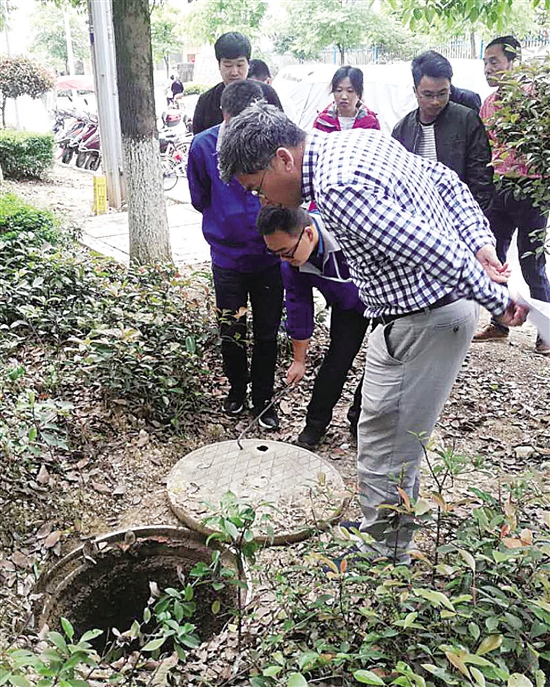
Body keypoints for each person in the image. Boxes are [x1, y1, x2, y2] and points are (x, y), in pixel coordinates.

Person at [218, 102, 527, 563]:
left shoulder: (337, 189)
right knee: (383, 433)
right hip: (416, 314)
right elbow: (445, 181)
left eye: (258, 188)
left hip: (423, 319)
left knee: (387, 447)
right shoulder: (356, 141)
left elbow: (434, 251)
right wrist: (481, 242)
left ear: (283, 159)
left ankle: (385, 556)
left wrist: (497, 300)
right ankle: (381, 530)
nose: (263, 201)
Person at [187, 82, 283, 429]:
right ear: (224, 115)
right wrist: (225, 221)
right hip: (227, 259)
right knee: (231, 329)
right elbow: (199, 197)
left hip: (270, 257)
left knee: (267, 333)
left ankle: (264, 398)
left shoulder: (272, 143)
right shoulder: (203, 146)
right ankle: (237, 390)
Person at [257, 206, 368, 448]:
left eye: (286, 252)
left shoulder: (349, 233)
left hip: (388, 300)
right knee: (337, 360)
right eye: (276, 253)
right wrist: (299, 360)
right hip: (347, 305)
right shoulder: (291, 264)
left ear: (308, 234)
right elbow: (299, 308)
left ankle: (360, 418)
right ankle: (315, 425)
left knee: (380, 364)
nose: (283, 260)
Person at [474, 35, 550, 355]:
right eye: (485, 63)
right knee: (495, 258)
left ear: (513, 63)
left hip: (532, 189)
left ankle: (547, 332)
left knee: (532, 262)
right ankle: (499, 321)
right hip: (500, 188)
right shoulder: (488, 104)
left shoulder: (535, 100)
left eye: (494, 61)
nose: (488, 68)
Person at [392, 51, 493, 213]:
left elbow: (481, 178)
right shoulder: (402, 130)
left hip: (462, 212)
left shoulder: (467, 120)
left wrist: (476, 216)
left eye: (442, 93)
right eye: (428, 95)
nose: (435, 102)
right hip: (420, 214)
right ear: (415, 91)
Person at [192, 32, 282, 135]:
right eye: (228, 65)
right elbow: (199, 139)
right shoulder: (206, 101)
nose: (234, 72)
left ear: (248, 64)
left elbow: (282, 134)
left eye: (239, 65)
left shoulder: (267, 94)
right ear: (219, 65)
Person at [312, 65, 380, 133]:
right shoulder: (322, 122)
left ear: (359, 94)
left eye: (350, 91)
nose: (344, 96)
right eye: (339, 90)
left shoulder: (371, 123)